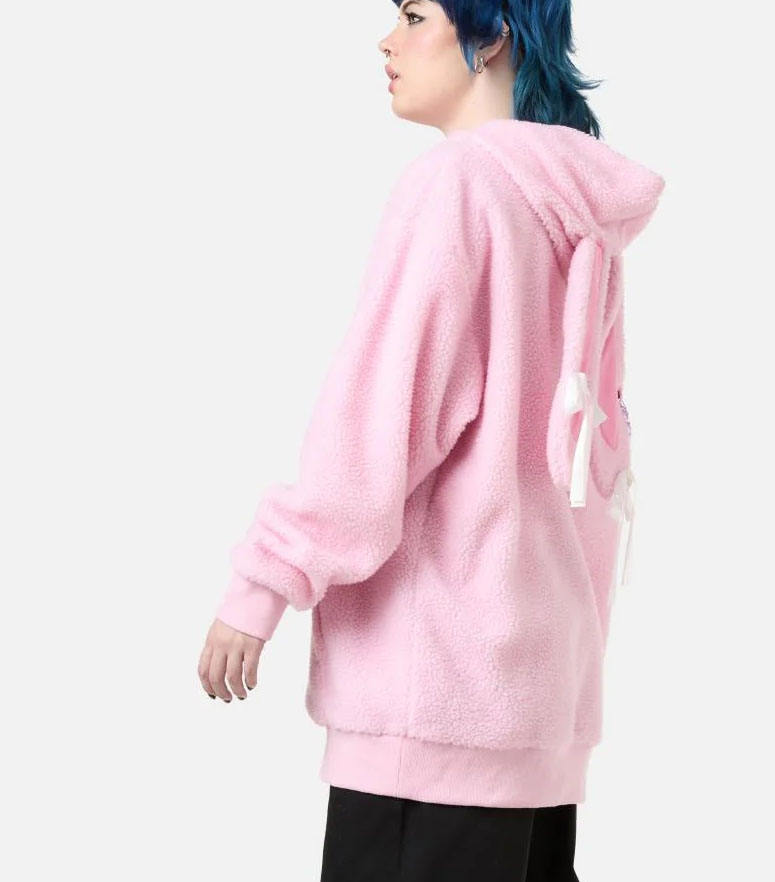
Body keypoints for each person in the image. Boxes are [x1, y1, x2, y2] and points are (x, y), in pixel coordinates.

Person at [196, 1, 664, 879]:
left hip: (435, 703)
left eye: (415, 15)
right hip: (537, 706)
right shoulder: (575, 217)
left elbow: (375, 427)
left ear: (493, 36)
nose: (387, 39)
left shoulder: (459, 187)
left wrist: (262, 584)